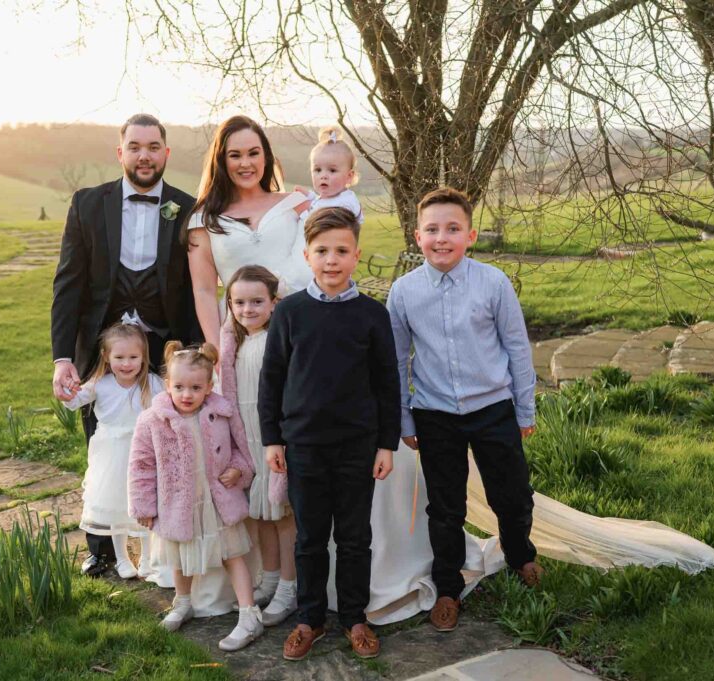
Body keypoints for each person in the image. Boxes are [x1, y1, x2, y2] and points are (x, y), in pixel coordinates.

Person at [51, 113, 201, 576]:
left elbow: (198, 289)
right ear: (121, 153)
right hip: (102, 349)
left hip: (164, 347)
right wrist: (62, 358)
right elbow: (69, 285)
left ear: (165, 154)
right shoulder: (87, 204)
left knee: (167, 445)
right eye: (135, 146)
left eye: (153, 146)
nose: (144, 155)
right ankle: (101, 549)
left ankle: (162, 547)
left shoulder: (187, 207)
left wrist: (197, 353)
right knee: (104, 444)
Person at [388, 187, 542, 632]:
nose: (442, 238)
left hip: (493, 407)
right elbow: (398, 360)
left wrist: (524, 410)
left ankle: (520, 556)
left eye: (453, 229)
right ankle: (448, 587)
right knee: (445, 507)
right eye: (432, 230)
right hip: (435, 413)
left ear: (470, 235)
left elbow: (516, 348)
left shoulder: (493, 283)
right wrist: (405, 417)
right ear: (417, 237)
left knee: (511, 494)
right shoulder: (403, 292)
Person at [259, 207, 400, 661]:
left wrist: (386, 443)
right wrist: (272, 439)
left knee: (355, 536)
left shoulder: (372, 315)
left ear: (356, 255)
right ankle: (310, 619)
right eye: (322, 251)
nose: (332, 260)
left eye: (342, 251)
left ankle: (355, 618)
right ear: (307, 255)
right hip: (304, 445)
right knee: (310, 538)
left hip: (358, 445)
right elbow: (272, 379)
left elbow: (387, 382)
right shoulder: (291, 313)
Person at [128, 342, 263, 652]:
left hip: (217, 501)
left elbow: (242, 449)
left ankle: (248, 613)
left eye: (195, 387)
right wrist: (144, 506)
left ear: (208, 386)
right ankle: (183, 602)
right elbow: (141, 465)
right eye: (179, 387)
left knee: (233, 554)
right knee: (179, 555)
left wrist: (238, 470)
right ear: (167, 384)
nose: (186, 394)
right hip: (177, 502)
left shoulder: (221, 413)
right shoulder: (152, 421)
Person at [187, 115, 312, 347]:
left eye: (253, 153)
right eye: (235, 155)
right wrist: (216, 349)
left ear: (266, 156)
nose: (246, 163)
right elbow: (204, 290)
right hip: (238, 336)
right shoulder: (203, 219)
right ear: (222, 161)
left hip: (296, 331)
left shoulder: (296, 203)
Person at [218, 265, 297, 626]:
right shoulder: (233, 343)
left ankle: (289, 587)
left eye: (256, 301)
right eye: (239, 302)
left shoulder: (277, 338)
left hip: (274, 436)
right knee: (261, 514)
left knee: (282, 515)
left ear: (273, 302)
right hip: (247, 435)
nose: (247, 309)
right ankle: (268, 579)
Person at [62, 321, 164, 579]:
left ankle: (147, 558)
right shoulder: (100, 383)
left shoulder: (152, 383)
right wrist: (67, 390)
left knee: (144, 504)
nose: (126, 363)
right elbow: (73, 403)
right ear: (107, 357)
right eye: (119, 357)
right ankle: (122, 559)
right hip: (110, 453)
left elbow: (169, 407)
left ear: (144, 357)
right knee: (115, 504)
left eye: (133, 357)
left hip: (143, 451)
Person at [296, 126, 364, 225]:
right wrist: (310, 196)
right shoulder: (330, 197)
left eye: (332, 170)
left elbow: (325, 222)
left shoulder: (346, 204)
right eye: (318, 170)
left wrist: (304, 211)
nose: (323, 176)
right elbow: (322, 202)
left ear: (349, 176)